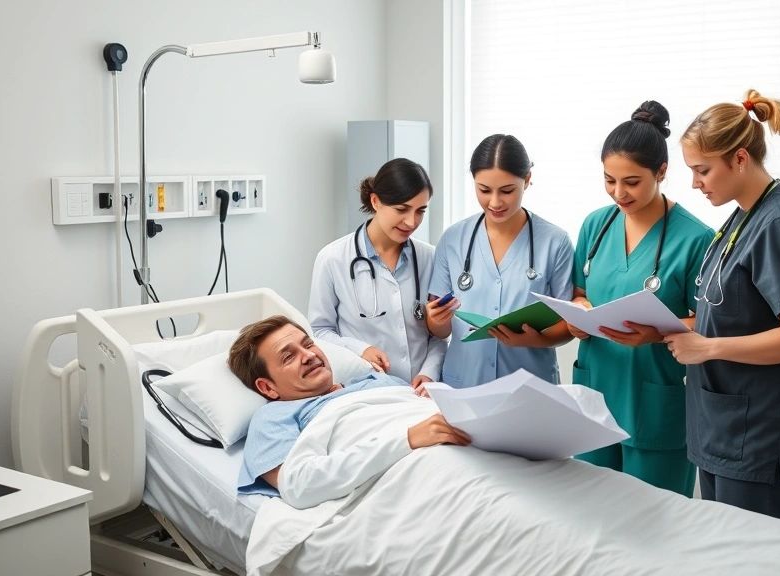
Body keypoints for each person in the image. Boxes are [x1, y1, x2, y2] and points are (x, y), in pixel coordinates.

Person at [665, 89, 780, 525]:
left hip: (762, 437)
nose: (695, 183)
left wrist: (707, 349)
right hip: (725, 428)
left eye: (703, 170)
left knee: (763, 562)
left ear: (739, 159)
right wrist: (665, 328)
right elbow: (731, 314)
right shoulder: (741, 218)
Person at [568, 101, 714, 497]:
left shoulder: (697, 238)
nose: (619, 192)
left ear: (662, 172)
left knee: (655, 525)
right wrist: (580, 312)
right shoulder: (596, 225)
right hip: (596, 390)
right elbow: (580, 292)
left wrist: (655, 333)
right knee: (590, 516)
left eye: (631, 181)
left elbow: (710, 323)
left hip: (653, 399)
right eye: (609, 180)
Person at [230, 315, 470, 505]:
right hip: (422, 470)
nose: (309, 355)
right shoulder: (274, 415)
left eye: (308, 344)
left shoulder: (378, 381)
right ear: (268, 388)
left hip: (466, 444)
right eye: (288, 357)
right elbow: (297, 484)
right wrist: (407, 439)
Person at [426, 135, 574, 387]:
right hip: (464, 383)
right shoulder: (453, 239)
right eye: (484, 190)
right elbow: (440, 330)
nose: (494, 202)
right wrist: (435, 321)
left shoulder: (555, 241)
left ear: (527, 180)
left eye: (507, 191)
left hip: (529, 386)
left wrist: (530, 340)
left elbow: (568, 324)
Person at [308, 158, 446, 391]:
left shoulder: (430, 258)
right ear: (375, 201)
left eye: (420, 211)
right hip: (365, 388)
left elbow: (439, 335)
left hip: (422, 392)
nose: (411, 221)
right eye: (401, 209)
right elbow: (320, 331)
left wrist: (429, 373)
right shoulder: (333, 258)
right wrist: (359, 349)